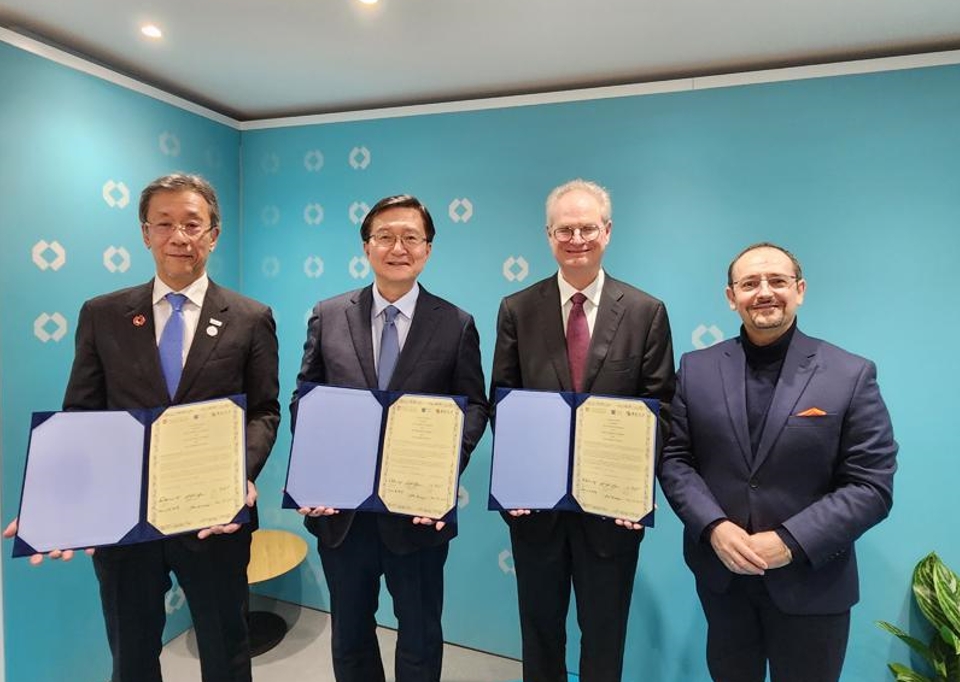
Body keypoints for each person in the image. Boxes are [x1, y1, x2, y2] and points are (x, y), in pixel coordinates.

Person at [5, 172, 281, 682]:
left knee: (226, 653)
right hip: (122, 522)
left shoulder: (250, 317)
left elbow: (265, 410)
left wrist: (238, 474)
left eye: (193, 224)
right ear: (145, 233)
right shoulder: (102, 314)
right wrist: (57, 502)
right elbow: (81, 418)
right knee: (131, 658)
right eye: (165, 223)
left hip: (213, 519)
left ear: (213, 234)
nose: (180, 236)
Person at [658, 242, 898, 682]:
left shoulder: (850, 374)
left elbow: (871, 485)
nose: (764, 292)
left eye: (777, 281)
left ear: (800, 290)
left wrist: (790, 540)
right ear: (732, 297)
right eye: (749, 284)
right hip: (724, 579)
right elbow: (675, 460)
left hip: (813, 583)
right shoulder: (697, 369)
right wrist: (714, 527)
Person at [291, 194, 488, 682]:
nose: (397, 247)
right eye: (385, 236)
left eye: (411, 237)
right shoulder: (329, 314)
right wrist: (316, 472)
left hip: (417, 515)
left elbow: (475, 406)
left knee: (420, 634)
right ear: (366, 246)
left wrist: (442, 472)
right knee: (351, 635)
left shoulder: (456, 323)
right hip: (344, 517)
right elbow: (304, 400)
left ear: (428, 248)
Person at [490, 179, 676, 682]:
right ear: (549, 236)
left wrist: (638, 492)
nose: (576, 238)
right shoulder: (517, 309)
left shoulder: (645, 312)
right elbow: (503, 404)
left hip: (611, 513)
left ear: (608, 231)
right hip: (536, 511)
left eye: (587, 227)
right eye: (564, 229)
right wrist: (512, 484)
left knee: (605, 633)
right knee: (540, 632)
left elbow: (661, 407)